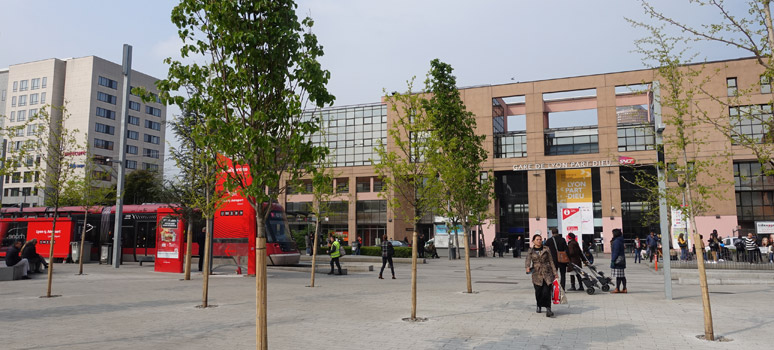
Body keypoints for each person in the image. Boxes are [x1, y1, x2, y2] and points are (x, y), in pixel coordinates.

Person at [525, 234, 557, 317]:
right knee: (538, 291)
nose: (539, 241)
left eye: (540, 239)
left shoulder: (546, 249)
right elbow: (528, 260)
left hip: (547, 272)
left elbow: (551, 261)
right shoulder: (531, 250)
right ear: (533, 241)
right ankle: (539, 305)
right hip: (537, 273)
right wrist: (527, 267)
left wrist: (555, 273)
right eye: (537, 239)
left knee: (547, 291)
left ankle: (548, 308)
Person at [610, 228, 627, 293]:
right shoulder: (621, 240)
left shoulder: (616, 241)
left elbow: (615, 252)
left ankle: (618, 288)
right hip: (622, 259)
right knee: (621, 276)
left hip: (618, 260)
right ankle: (622, 288)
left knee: (619, 276)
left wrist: (613, 260)